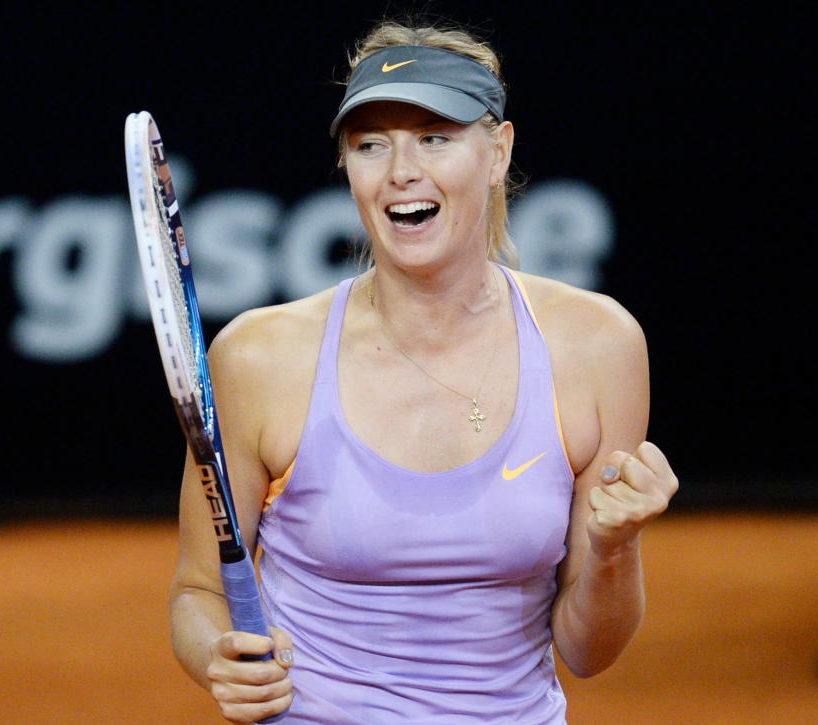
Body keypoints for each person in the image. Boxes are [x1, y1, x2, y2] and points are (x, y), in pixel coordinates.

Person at [170, 20, 679, 724]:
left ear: (498, 151)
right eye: (370, 144)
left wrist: (616, 547)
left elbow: (588, 650)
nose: (400, 169)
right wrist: (215, 655)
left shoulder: (598, 346)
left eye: (434, 137)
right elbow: (198, 589)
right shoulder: (260, 357)